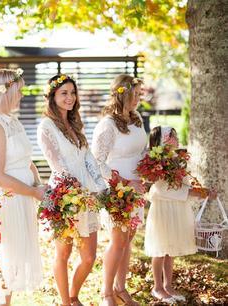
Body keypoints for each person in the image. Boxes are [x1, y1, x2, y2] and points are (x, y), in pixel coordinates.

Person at [0, 68, 46, 306]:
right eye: (19, 90)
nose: (22, 95)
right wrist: (33, 191)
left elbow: (27, 161)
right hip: (8, 202)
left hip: (23, 199)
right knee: (4, 266)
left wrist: (40, 185)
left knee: (13, 267)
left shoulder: (13, 121)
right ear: (7, 92)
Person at [37, 74, 106, 306]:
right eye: (64, 93)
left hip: (87, 194)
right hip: (64, 195)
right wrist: (77, 192)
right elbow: (58, 164)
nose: (70, 97)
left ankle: (74, 294)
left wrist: (102, 189)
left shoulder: (76, 125)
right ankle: (66, 302)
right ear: (53, 96)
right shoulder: (46, 126)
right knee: (63, 254)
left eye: (72, 93)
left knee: (89, 257)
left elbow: (90, 161)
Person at [91, 74, 147, 306]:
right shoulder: (108, 125)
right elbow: (97, 161)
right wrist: (123, 182)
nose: (138, 100)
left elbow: (142, 150)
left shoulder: (137, 120)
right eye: (135, 95)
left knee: (129, 238)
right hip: (116, 189)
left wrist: (150, 169)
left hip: (136, 187)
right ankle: (107, 293)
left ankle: (121, 288)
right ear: (122, 94)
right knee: (117, 240)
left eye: (139, 95)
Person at [144, 126, 216, 304]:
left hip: (176, 208)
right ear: (161, 141)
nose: (175, 139)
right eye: (171, 136)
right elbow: (163, 187)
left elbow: (183, 183)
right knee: (160, 248)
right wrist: (199, 192)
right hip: (163, 207)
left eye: (175, 136)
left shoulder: (178, 159)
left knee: (171, 248)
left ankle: (168, 285)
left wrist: (199, 190)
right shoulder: (156, 162)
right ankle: (157, 287)